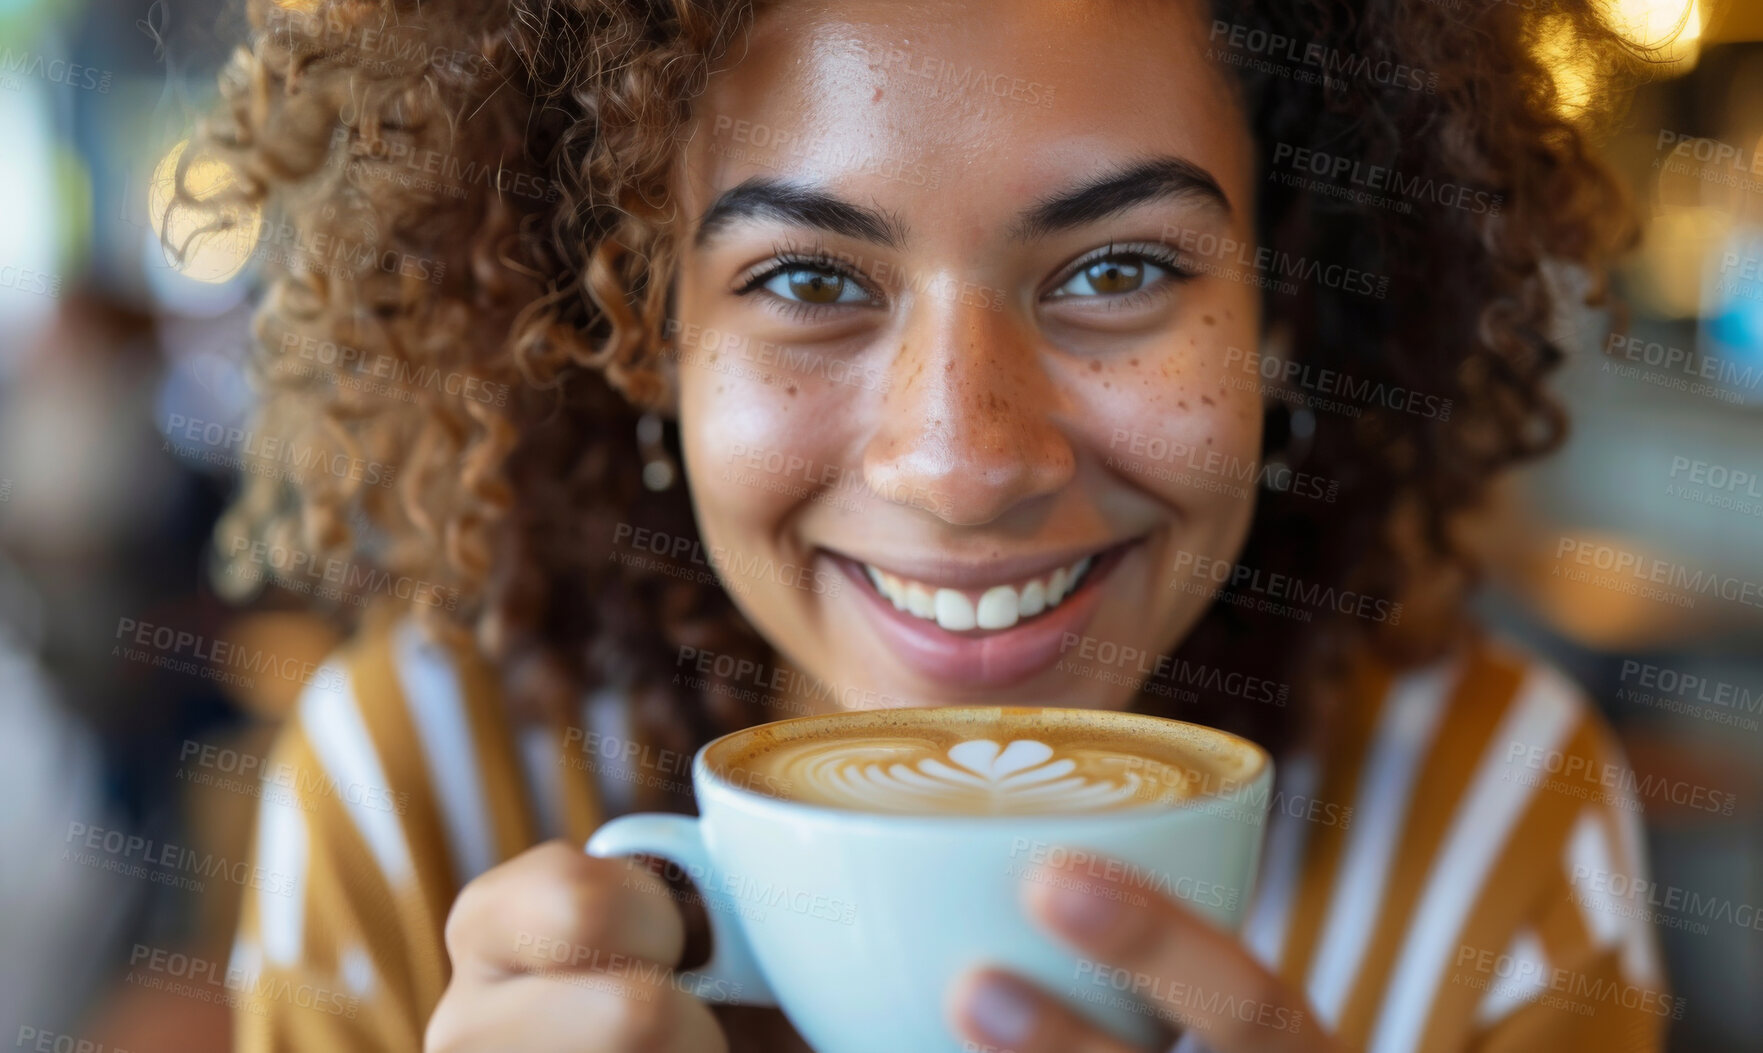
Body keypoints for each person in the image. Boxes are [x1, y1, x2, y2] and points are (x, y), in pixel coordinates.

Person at [181, 0, 1665, 1049]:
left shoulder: (1488, 815)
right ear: (645, 329)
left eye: (1118, 268)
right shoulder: (409, 792)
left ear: (1287, 310)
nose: (963, 463)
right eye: (811, 283)